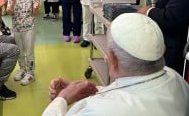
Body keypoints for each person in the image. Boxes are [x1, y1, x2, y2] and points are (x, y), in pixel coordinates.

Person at [43, 13, 189, 116]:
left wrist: (63, 98)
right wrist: (95, 91)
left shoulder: (99, 111)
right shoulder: (175, 78)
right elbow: (137, 90)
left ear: (112, 59)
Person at [6, 0, 40, 86]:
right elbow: (8, 12)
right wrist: (12, 3)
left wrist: (36, 8)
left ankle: (30, 73)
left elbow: (35, 14)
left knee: (29, 52)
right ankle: (23, 69)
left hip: (29, 29)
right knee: (19, 51)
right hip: (16, 29)